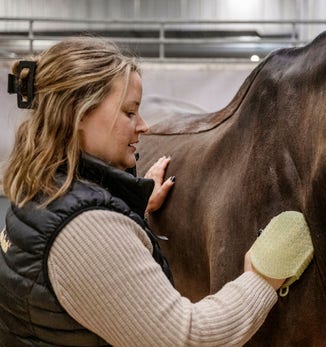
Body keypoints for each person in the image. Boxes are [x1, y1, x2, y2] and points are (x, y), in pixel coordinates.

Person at [0, 37, 300, 347]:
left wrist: (132, 212)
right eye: (129, 113)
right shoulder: (86, 230)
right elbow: (190, 339)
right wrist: (263, 278)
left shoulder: (40, 192)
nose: (143, 126)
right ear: (76, 114)